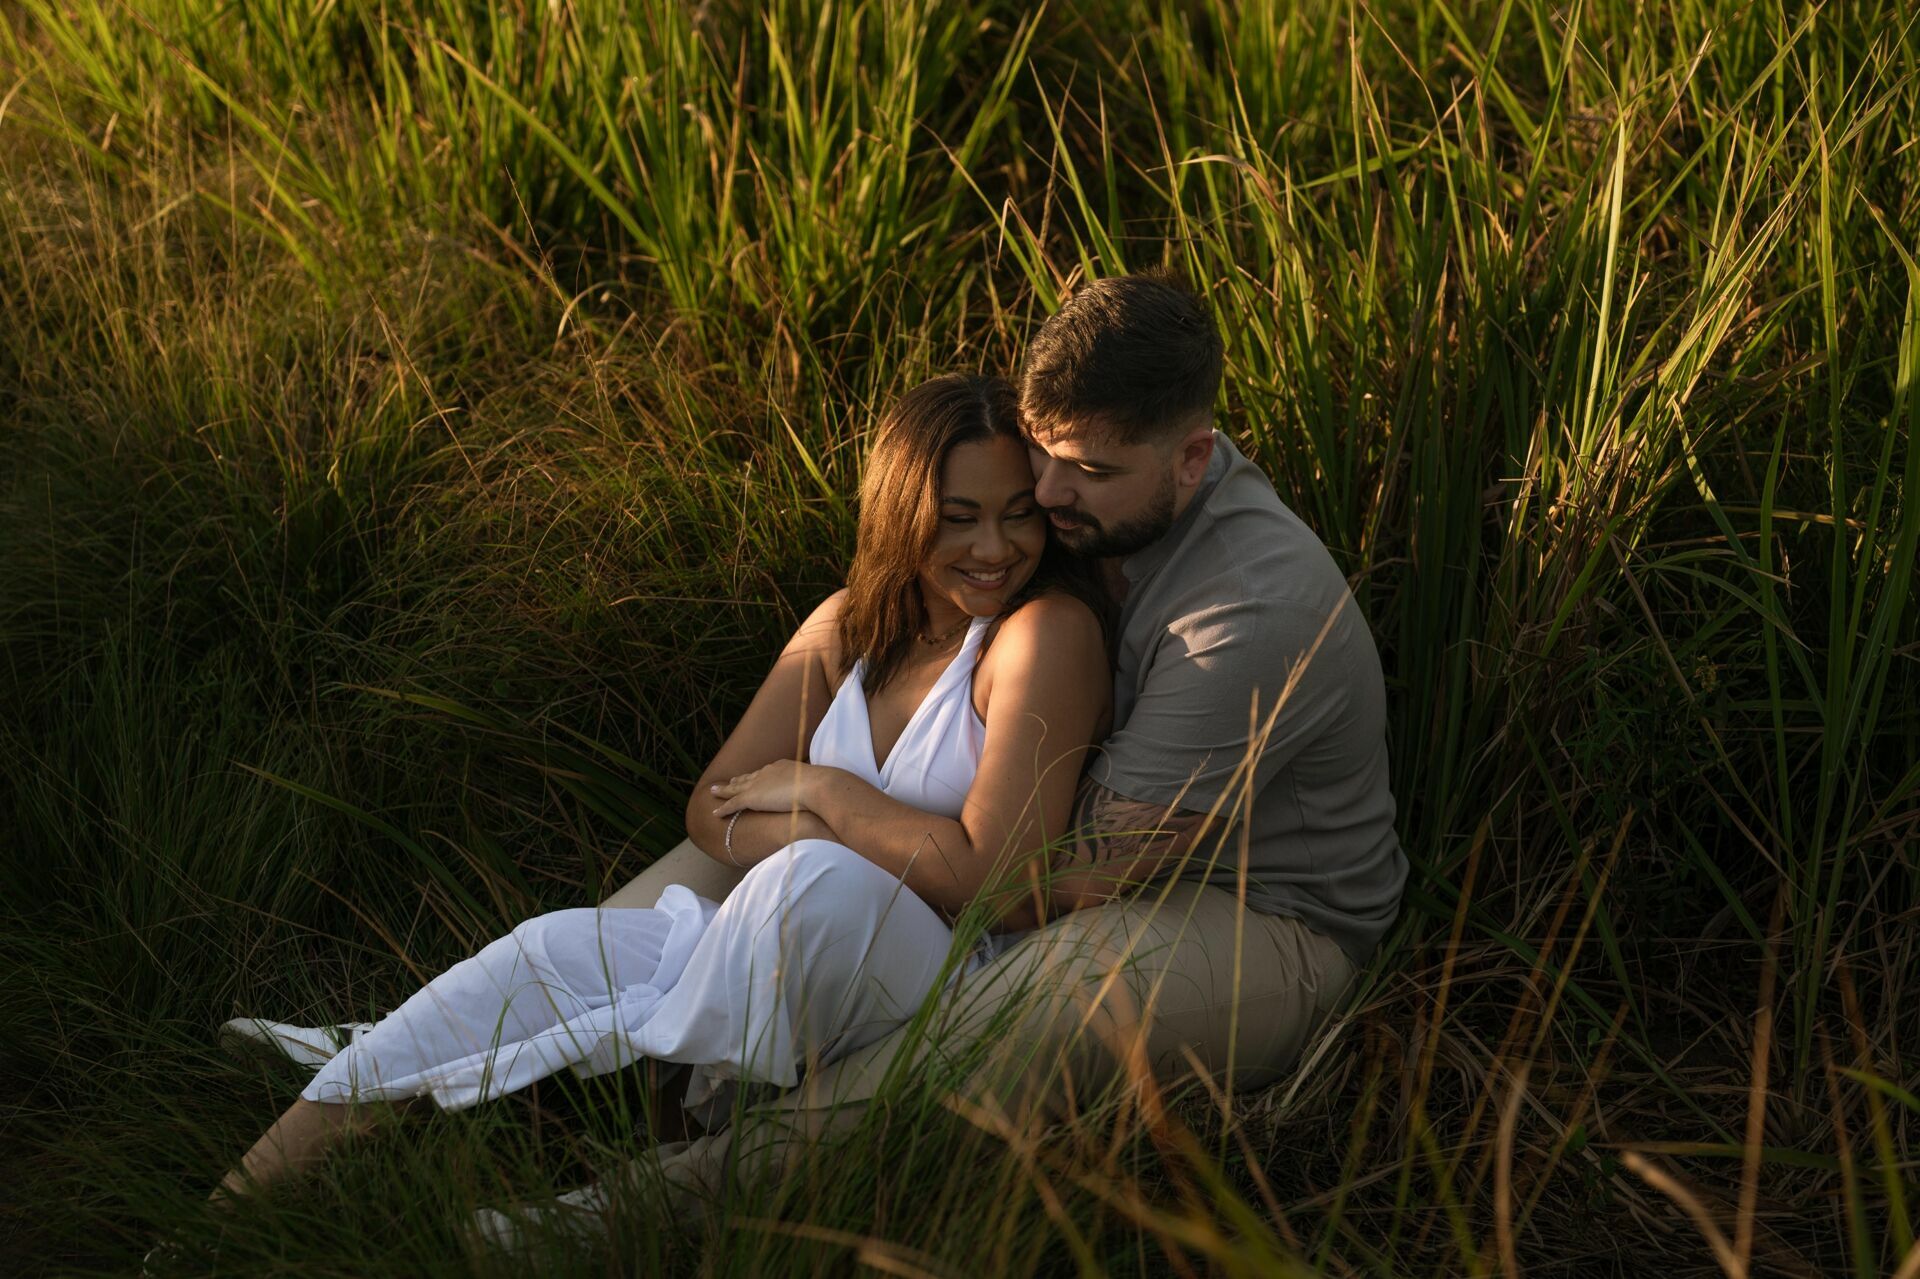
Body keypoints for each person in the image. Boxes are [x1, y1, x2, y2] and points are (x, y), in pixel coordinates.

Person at [210, 372, 1112, 1203]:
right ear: (901, 511)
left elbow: (993, 877)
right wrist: (850, 833)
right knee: (550, 949)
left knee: (815, 888)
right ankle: (241, 1197)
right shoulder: (849, 624)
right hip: (758, 941)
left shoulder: (1042, 635)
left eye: (1017, 513)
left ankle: (574, 1085)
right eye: (958, 517)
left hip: (929, 969)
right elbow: (713, 809)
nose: (995, 548)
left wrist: (825, 795)